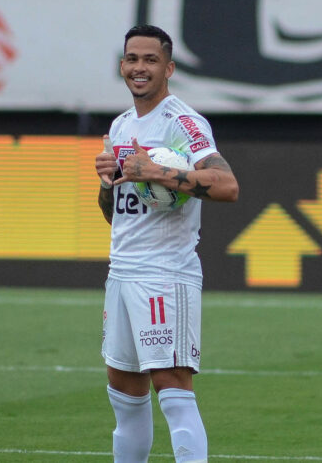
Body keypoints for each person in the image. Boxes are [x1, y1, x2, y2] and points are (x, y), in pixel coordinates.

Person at [95, 24, 239, 463]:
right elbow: (116, 213)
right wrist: (108, 183)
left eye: (150, 60)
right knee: (124, 397)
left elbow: (227, 185)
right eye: (132, 59)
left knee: (172, 388)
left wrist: (154, 172)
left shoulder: (183, 122)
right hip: (121, 272)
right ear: (122, 66)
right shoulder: (121, 126)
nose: (140, 68)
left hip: (165, 274)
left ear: (169, 68)